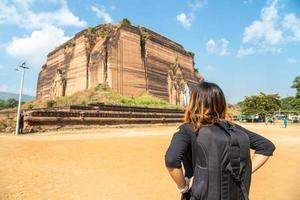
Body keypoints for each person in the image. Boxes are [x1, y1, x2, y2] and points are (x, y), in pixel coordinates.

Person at [164, 81, 275, 200]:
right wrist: (244, 173)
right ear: (221, 103)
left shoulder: (187, 129)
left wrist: (183, 187)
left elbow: (171, 160)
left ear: (193, 103)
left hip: (198, 194)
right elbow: (266, 146)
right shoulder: (231, 128)